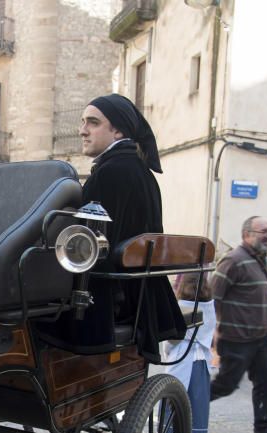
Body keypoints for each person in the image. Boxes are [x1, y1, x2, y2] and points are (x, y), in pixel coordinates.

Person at [67, 93, 185, 360]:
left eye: (93, 123)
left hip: (112, 302)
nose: (82, 130)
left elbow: (88, 245)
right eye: (83, 122)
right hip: (136, 296)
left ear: (118, 130)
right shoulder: (136, 169)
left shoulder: (113, 171)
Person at [210, 216, 267, 433]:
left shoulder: (261, 261)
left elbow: (266, 298)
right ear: (247, 234)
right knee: (226, 385)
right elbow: (214, 296)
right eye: (263, 231)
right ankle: (184, 412)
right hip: (237, 339)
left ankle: (264, 431)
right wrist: (212, 335)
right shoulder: (233, 260)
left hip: (262, 339)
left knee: (266, 385)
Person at [164, 271, 216, 433]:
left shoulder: (180, 306)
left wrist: (168, 350)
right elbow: (210, 330)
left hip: (182, 356)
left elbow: (173, 336)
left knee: (175, 396)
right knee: (195, 399)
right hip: (200, 359)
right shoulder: (210, 306)